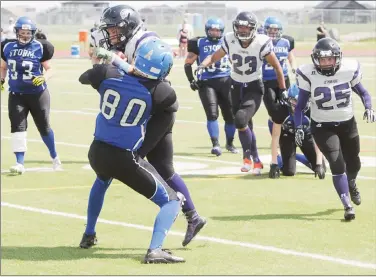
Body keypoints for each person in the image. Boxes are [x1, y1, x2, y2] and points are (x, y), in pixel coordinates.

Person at [95, 4, 207, 247]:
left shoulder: (144, 43)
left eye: (114, 30)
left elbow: (140, 73)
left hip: (158, 108)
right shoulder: (134, 41)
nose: (111, 35)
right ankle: (193, 216)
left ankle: (182, 215)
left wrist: (113, 60)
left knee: (135, 160)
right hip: (154, 105)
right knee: (164, 168)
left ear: (128, 27)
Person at [78, 39, 186, 264]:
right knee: (173, 201)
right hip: (124, 156)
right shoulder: (161, 91)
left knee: (101, 182)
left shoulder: (106, 73)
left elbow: (85, 78)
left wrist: (117, 64)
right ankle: (155, 250)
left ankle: (88, 234)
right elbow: (170, 107)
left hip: (97, 150)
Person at [294, 38, 375, 221]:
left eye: (330, 59)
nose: (326, 63)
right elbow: (299, 106)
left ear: (337, 58)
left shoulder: (349, 69)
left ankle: (351, 182)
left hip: (347, 123)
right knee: (336, 162)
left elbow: (363, 92)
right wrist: (299, 126)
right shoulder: (308, 74)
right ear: (315, 60)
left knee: (354, 162)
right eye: (322, 59)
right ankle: (347, 205)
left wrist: (369, 107)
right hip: (322, 126)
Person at [196, 11, 287, 172]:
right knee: (245, 125)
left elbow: (278, 68)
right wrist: (202, 65)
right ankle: (256, 160)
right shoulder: (230, 39)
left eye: (246, 27)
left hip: (254, 86)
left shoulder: (262, 41)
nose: (242, 30)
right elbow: (214, 57)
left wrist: (283, 90)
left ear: (253, 28)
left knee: (240, 119)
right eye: (239, 27)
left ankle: (246, 157)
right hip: (235, 86)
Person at [0, 16, 61, 175]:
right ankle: (19, 163)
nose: (25, 35)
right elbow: (3, 67)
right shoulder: (7, 46)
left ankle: (54, 156)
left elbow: (50, 69)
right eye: (22, 32)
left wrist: (44, 77)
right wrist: (1, 80)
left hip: (38, 94)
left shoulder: (39, 47)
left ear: (32, 33)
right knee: (17, 127)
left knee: (44, 127)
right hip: (16, 94)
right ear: (17, 32)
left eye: (28, 32)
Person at [184, 18, 238, 156]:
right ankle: (215, 144)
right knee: (212, 114)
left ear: (222, 31)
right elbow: (188, 63)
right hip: (207, 82)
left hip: (226, 80)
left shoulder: (227, 41)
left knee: (230, 115)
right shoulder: (199, 42)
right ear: (207, 31)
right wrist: (191, 80)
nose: (214, 33)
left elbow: (234, 60)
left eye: (217, 30)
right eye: (212, 30)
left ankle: (230, 143)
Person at [261, 16, 298, 178]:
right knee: (275, 112)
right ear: (266, 30)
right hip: (267, 80)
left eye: (276, 30)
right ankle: (276, 134)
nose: (273, 33)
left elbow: (290, 56)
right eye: (271, 30)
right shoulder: (261, 42)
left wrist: (294, 68)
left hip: (284, 79)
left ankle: (285, 136)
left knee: (290, 109)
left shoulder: (286, 42)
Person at [265, 84, 326, 178]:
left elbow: (318, 137)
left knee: (321, 168)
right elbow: (275, 136)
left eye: (300, 102)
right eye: (294, 101)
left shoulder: (313, 111)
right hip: (287, 135)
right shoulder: (281, 110)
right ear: (288, 99)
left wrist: (319, 163)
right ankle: (279, 158)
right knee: (289, 171)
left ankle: (295, 156)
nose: (297, 105)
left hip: (305, 134)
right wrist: (274, 163)